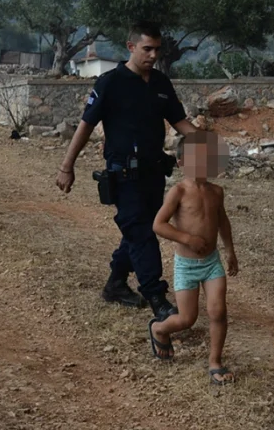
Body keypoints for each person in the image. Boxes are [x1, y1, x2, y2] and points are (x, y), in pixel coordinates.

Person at [55, 21, 197, 322]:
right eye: (147, 48)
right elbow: (86, 126)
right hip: (123, 175)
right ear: (131, 47)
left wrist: (207, 143)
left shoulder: (160, 83)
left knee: (137, 231)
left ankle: (116, 284)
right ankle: (156, 297)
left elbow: (180, 123)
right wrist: (67, 167)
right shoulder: (110, 83)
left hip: (154, 174)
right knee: (142, 231)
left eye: (157, 49)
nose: (153, 55)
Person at [148, 131, 238, 385]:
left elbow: (222, 221)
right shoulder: (178, 192)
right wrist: (188, 239)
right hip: (186, 266)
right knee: (187, 319)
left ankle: (215, 362)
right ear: (181, 163)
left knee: (218, 311)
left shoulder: (216, 191)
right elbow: (158, 224)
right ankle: (159, 329)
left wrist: (230, 250)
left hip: (211, 263)